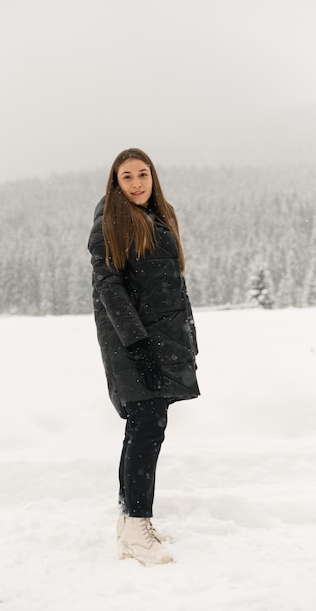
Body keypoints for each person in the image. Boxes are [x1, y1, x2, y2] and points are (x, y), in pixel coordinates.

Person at [88, 148, 199, 566]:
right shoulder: (111, 224)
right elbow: (109, 290)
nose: (136, 183)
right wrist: (138, 347)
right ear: (115, 183)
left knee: (143, 427)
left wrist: (186, 340)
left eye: (143, 174)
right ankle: (137, 524)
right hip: (133, 345)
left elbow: (171, 291)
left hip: (160, 343)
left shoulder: (158, 217)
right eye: (127, 177)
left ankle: (129, 523)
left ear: (153, 177)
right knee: (148, 428)